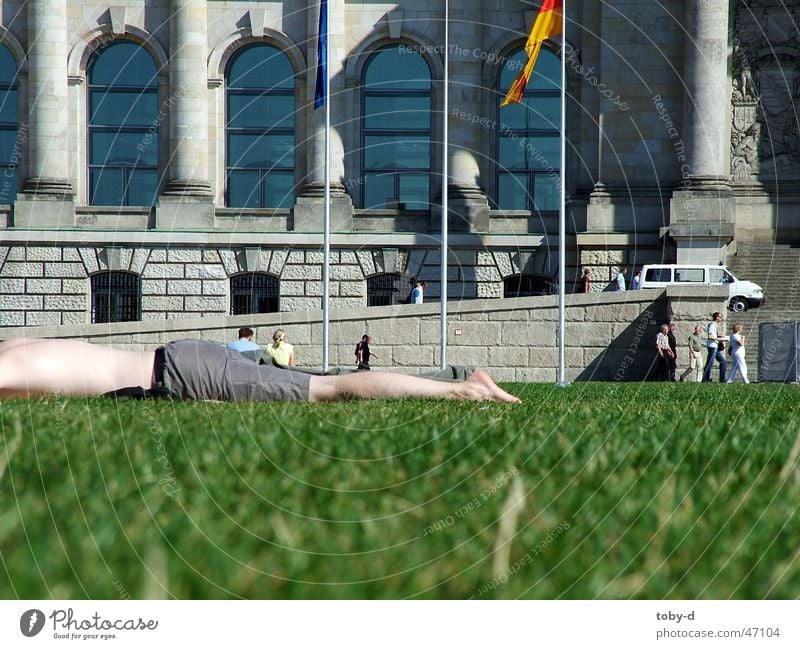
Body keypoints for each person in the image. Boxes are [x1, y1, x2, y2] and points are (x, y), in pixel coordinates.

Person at [0, 338, 520, 403]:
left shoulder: (11, 360)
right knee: (324, 382)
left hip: (181, 375)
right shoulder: (15, 347)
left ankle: (460, 390)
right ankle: (452, 376)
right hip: (181, 367)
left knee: (328, 390)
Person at [702, 311, 727, 382]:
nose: (721, 318)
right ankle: (705, 379)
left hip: (715, 346)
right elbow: (710, 336)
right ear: (716, 317)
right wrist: (719, 339)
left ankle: (722, 379)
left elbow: (713, 335)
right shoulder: (712, 325)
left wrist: (720, 337)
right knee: (710, 363)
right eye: (720, 317)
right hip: (712, 346)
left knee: (723, 362)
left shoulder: (715, 325)